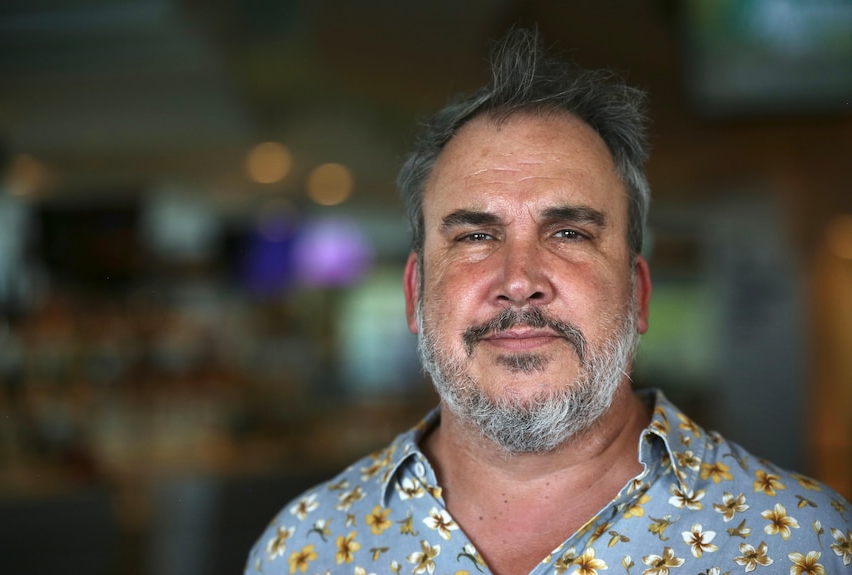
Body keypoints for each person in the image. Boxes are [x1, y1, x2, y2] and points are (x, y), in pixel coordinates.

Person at [245, 28, 852, 575]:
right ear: (415, 294)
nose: (519, 279)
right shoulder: (303, 549)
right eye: (476, 236)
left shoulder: (804, 546)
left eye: (570, 234)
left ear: (637, 294)